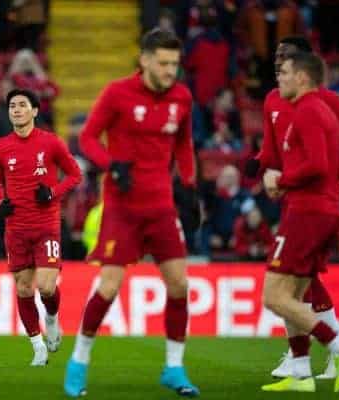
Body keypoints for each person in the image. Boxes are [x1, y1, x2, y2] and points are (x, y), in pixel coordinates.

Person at [64, 28, 201, 398]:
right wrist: (112, 165)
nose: (171, 70)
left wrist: (189, 186)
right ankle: (78, 361)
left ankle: (174, 368)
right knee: (109, 286)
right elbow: (88, 138)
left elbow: (184, 146)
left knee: (179, 284)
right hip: (123, 208)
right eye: (164, 63)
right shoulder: (117, 93)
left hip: (161, 207)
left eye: (175, 63)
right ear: (144, 61)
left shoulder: (182, 98)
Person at [244, 36, 339, 381]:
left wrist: (285, 178)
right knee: (300, 288)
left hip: (313, 204)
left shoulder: (320, 105)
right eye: (277, 62)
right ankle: (301, 367)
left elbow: (320, 161)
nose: (278, 70)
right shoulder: (276, 101)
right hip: (298, 201)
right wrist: (259, 166)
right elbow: (274, 150)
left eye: (285, 64)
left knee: (279, 293)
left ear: (302, 70)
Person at [0, 88, 81, 366]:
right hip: (15, 228)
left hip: (45, 225)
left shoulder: (51, 143)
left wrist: (52, 193)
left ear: (35, 111)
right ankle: (37, 346)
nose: (16, 109)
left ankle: (51, 319)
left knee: (46, 287)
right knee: (24, 289)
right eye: (12, 106)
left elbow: (75, 174)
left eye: (22, 105)